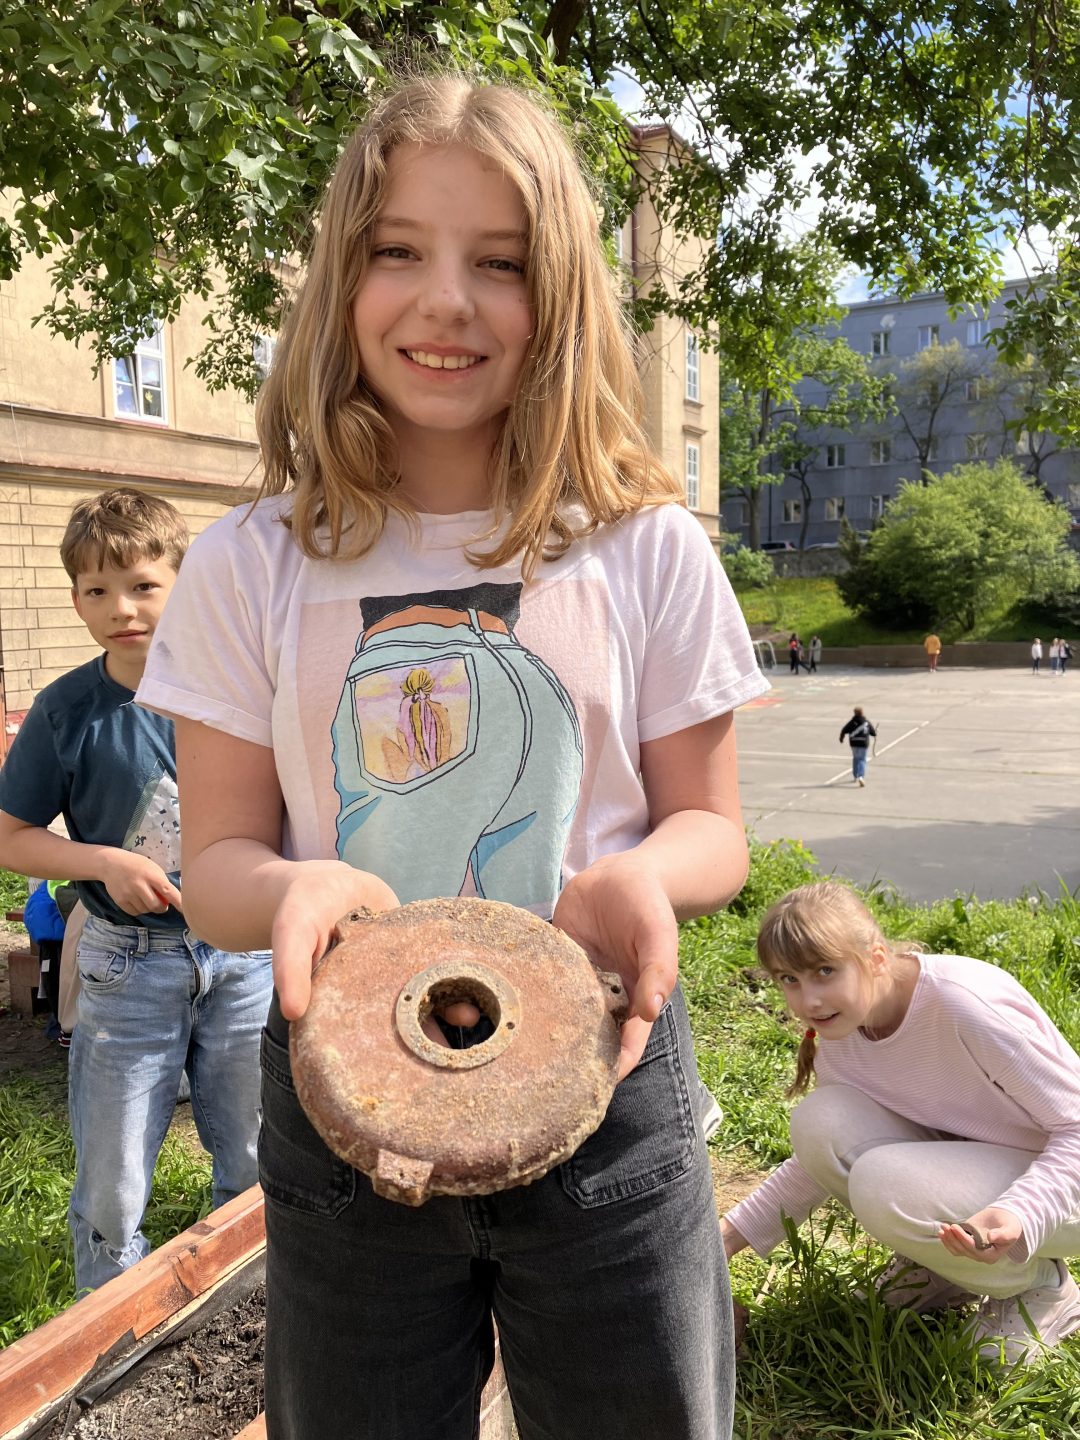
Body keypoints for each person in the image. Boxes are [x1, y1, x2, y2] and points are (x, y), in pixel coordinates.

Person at [136, 73, 768, 1440]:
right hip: (344, 1099)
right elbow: (220, 866)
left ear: (563, 297)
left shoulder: (644, 543)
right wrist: (290, 888)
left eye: (501, 263)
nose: (447, 302)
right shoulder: (250, 563)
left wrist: (647, 877)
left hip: (604, 1073)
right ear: (339, 280)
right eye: (399, 252)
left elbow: (712, 827)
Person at [0, 489, 273, 1294]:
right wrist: (100, 863)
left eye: (144, 585)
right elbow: (11, 835)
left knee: (254, 1154)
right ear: (76, 600)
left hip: (243, 959)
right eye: (97, 589)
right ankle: (107, 1325)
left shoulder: (238, 691)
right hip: (127, 967)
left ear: (184, 584)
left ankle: (243, 1304)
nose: (121, 608)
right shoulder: (67, 712)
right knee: (114, 1180)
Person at [719, 882, 1080, 1366]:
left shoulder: (964, 1005)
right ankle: (945, 1269)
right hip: (988, 1171)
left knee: (883, 1182)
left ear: (876, 957)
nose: (809, 1000)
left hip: (1062, 1190)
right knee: (819, 1121)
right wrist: (727, 1238)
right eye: (789, 979)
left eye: (825, 971)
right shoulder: (844, 1031)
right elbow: (818, 1159)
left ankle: (1040, 1289)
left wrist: (1021, 1211)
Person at [839, 704, 877, 786]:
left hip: (854, 743)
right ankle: (861, 776)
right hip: (863, 743)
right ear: (862, 713)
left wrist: (841, 738)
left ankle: (855, 775)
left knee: (856, 759)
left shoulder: (852, 722)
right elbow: (873, 733)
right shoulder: (866, 722)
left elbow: (844, 730)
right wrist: (875, 733)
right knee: (862, 759)